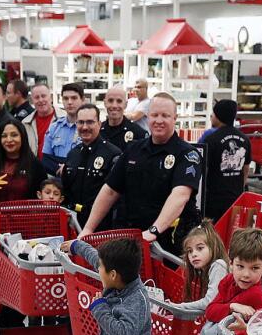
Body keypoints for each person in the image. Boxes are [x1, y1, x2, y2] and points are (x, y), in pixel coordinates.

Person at [78, 93, 201, 254]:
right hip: (131, 239)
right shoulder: (133, 149)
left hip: (167, 243)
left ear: (175, 118)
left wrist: (153, 231)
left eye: (165, 115)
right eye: (154, 115)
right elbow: (110, 190)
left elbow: (180, 196)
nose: (159, 120)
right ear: (148, 116)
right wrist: (88, 228)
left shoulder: (187, 154)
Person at [61, 103, 121, 228]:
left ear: (99, 124)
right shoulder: (73, 154)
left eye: (90, 122)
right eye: (80, 122)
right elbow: (66, 190)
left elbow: (116, 198)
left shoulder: (113, 155)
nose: (84, 127)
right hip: (75, 222)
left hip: (103, 224)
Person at [200, 99, 252, 221]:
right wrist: (240, 188)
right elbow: (246, 168)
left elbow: (204, 170)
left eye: (213, 114)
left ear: (218, 116)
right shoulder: (245, 139)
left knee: (214, 234)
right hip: (235, 198)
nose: (211, 117)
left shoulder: (211, 139)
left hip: (213, 199)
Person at [0, 118, 45, 202]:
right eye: (4, 136)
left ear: (23, 137)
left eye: (14, 135)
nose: (9, 140)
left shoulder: (35, 165)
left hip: (26, 214)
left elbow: (41, 197)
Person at [41, 82, 83, 175]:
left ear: (82, 100)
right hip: (57, 181)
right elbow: (46, 160)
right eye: (65, 98)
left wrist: (68, 166)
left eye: (74, 98)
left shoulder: (89, 128)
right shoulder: (54, 128)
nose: (69, 102)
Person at [101, 86, 144, 152]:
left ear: (126, 105)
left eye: (119, 101)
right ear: (105, 103)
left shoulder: (138, 133)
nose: (114, 105)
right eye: (110, 100)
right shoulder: (97, 131)